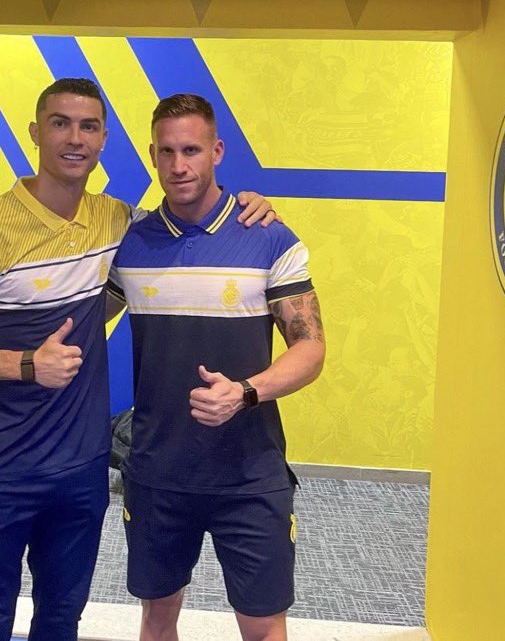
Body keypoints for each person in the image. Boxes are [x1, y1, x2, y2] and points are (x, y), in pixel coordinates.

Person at [0, 78, 279, 641]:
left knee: (61, 620)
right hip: (2, 466)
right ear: (35, 132)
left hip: (82, 469)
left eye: (88, 126)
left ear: (104, 139)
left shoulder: (119, 223)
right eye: (60, 123)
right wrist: (25, 364)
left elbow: (186, 222)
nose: (75, 138)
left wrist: (246, 206)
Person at [107, 93, 326, 641]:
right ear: (152, 155)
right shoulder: (130, 244)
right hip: (157, 472)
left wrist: (245, 392)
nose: (178, 165)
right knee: (157, 619)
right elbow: (77, 316)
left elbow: (311, 350)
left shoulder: (269, 237)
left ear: (217, 151)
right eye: (166, 152)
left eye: (191, 150)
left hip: (249, 475)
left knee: (263, 627)